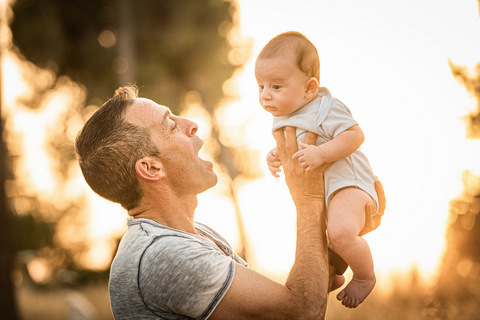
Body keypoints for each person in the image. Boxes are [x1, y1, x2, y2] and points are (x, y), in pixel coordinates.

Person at [75, 85, 385, 319]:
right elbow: (299, 312)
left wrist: (342, 236)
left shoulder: (198, 236)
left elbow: (283, 305)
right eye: (171, 125)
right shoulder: (164, 255)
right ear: (152, 168)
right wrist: (310, 200)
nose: (191, 124)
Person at [257, 31, 380, 308]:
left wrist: (321, 153)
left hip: (351, 183)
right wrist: (276, 156)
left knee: (339, 233)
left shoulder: (324, 107)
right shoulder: (284, 118)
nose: (265, 95)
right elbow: (294, 148)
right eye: (260, 86)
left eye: (276, 86)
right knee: (318, 238)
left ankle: (364, 276)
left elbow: (355, 135)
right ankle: (333, 273)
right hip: (327, 192)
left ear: (310, 88)